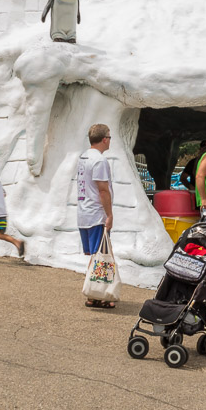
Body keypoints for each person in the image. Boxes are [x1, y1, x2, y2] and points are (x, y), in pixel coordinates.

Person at [77, 124, 114, 308]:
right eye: (109, 136)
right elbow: (103, 190)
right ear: (105, 139)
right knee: (100, 256)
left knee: (95, 255)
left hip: (84, 213)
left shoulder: (83, 157)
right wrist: (109, 215)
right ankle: (95, 294)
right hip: (96, 214)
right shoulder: (99, 161)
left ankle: (96, 293)